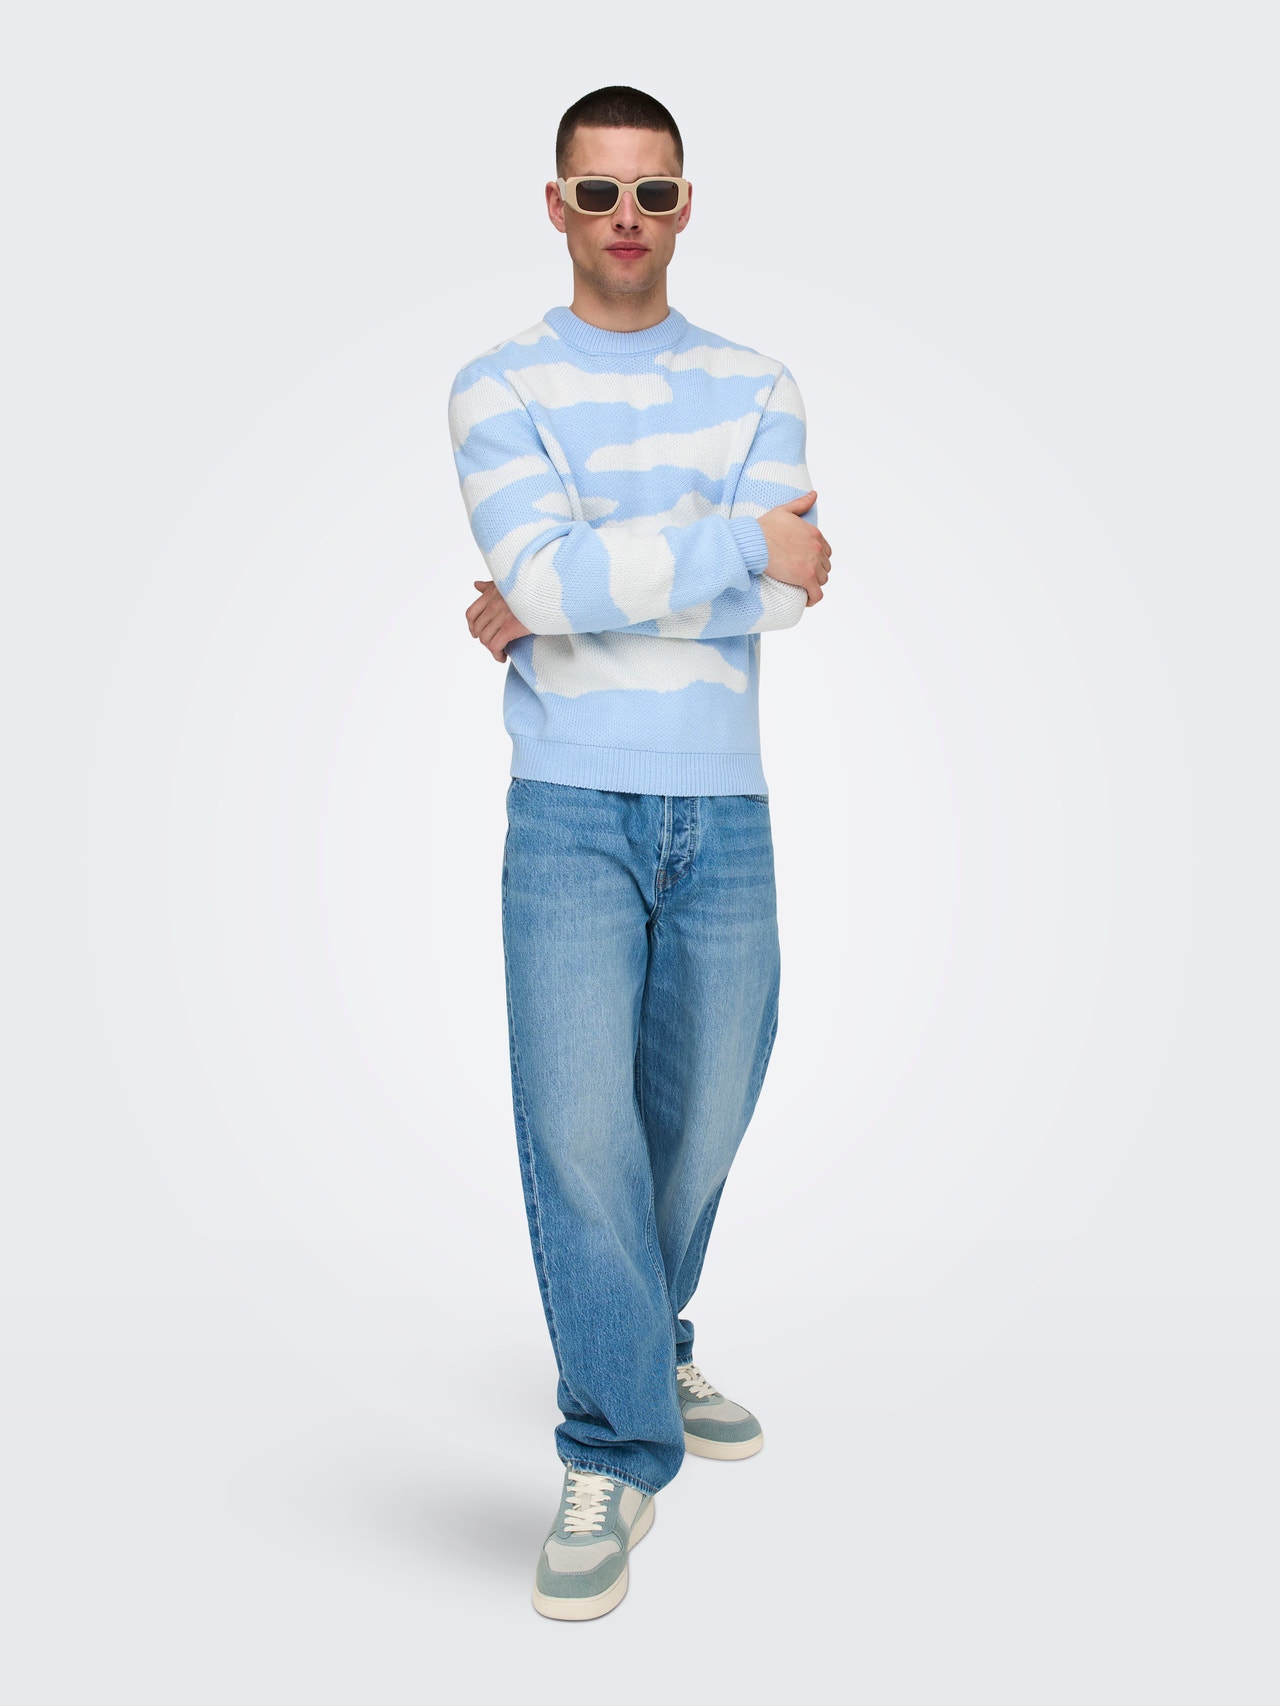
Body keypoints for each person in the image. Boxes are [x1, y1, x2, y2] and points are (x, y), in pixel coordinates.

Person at [447, 84, 831, 1621]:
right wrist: (727, 545)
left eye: (652, 192)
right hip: (569, 806)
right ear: (556, 204)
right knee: (579, 1131)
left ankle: (645, 1344)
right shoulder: (498, 382)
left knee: (704, 1117)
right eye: (599, 192)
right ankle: (612, 1443)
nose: (626, 218)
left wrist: (567, 590)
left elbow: (788, 602)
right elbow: (570, 578)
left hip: (723, 804)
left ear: (685, 205)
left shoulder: (757, 381)